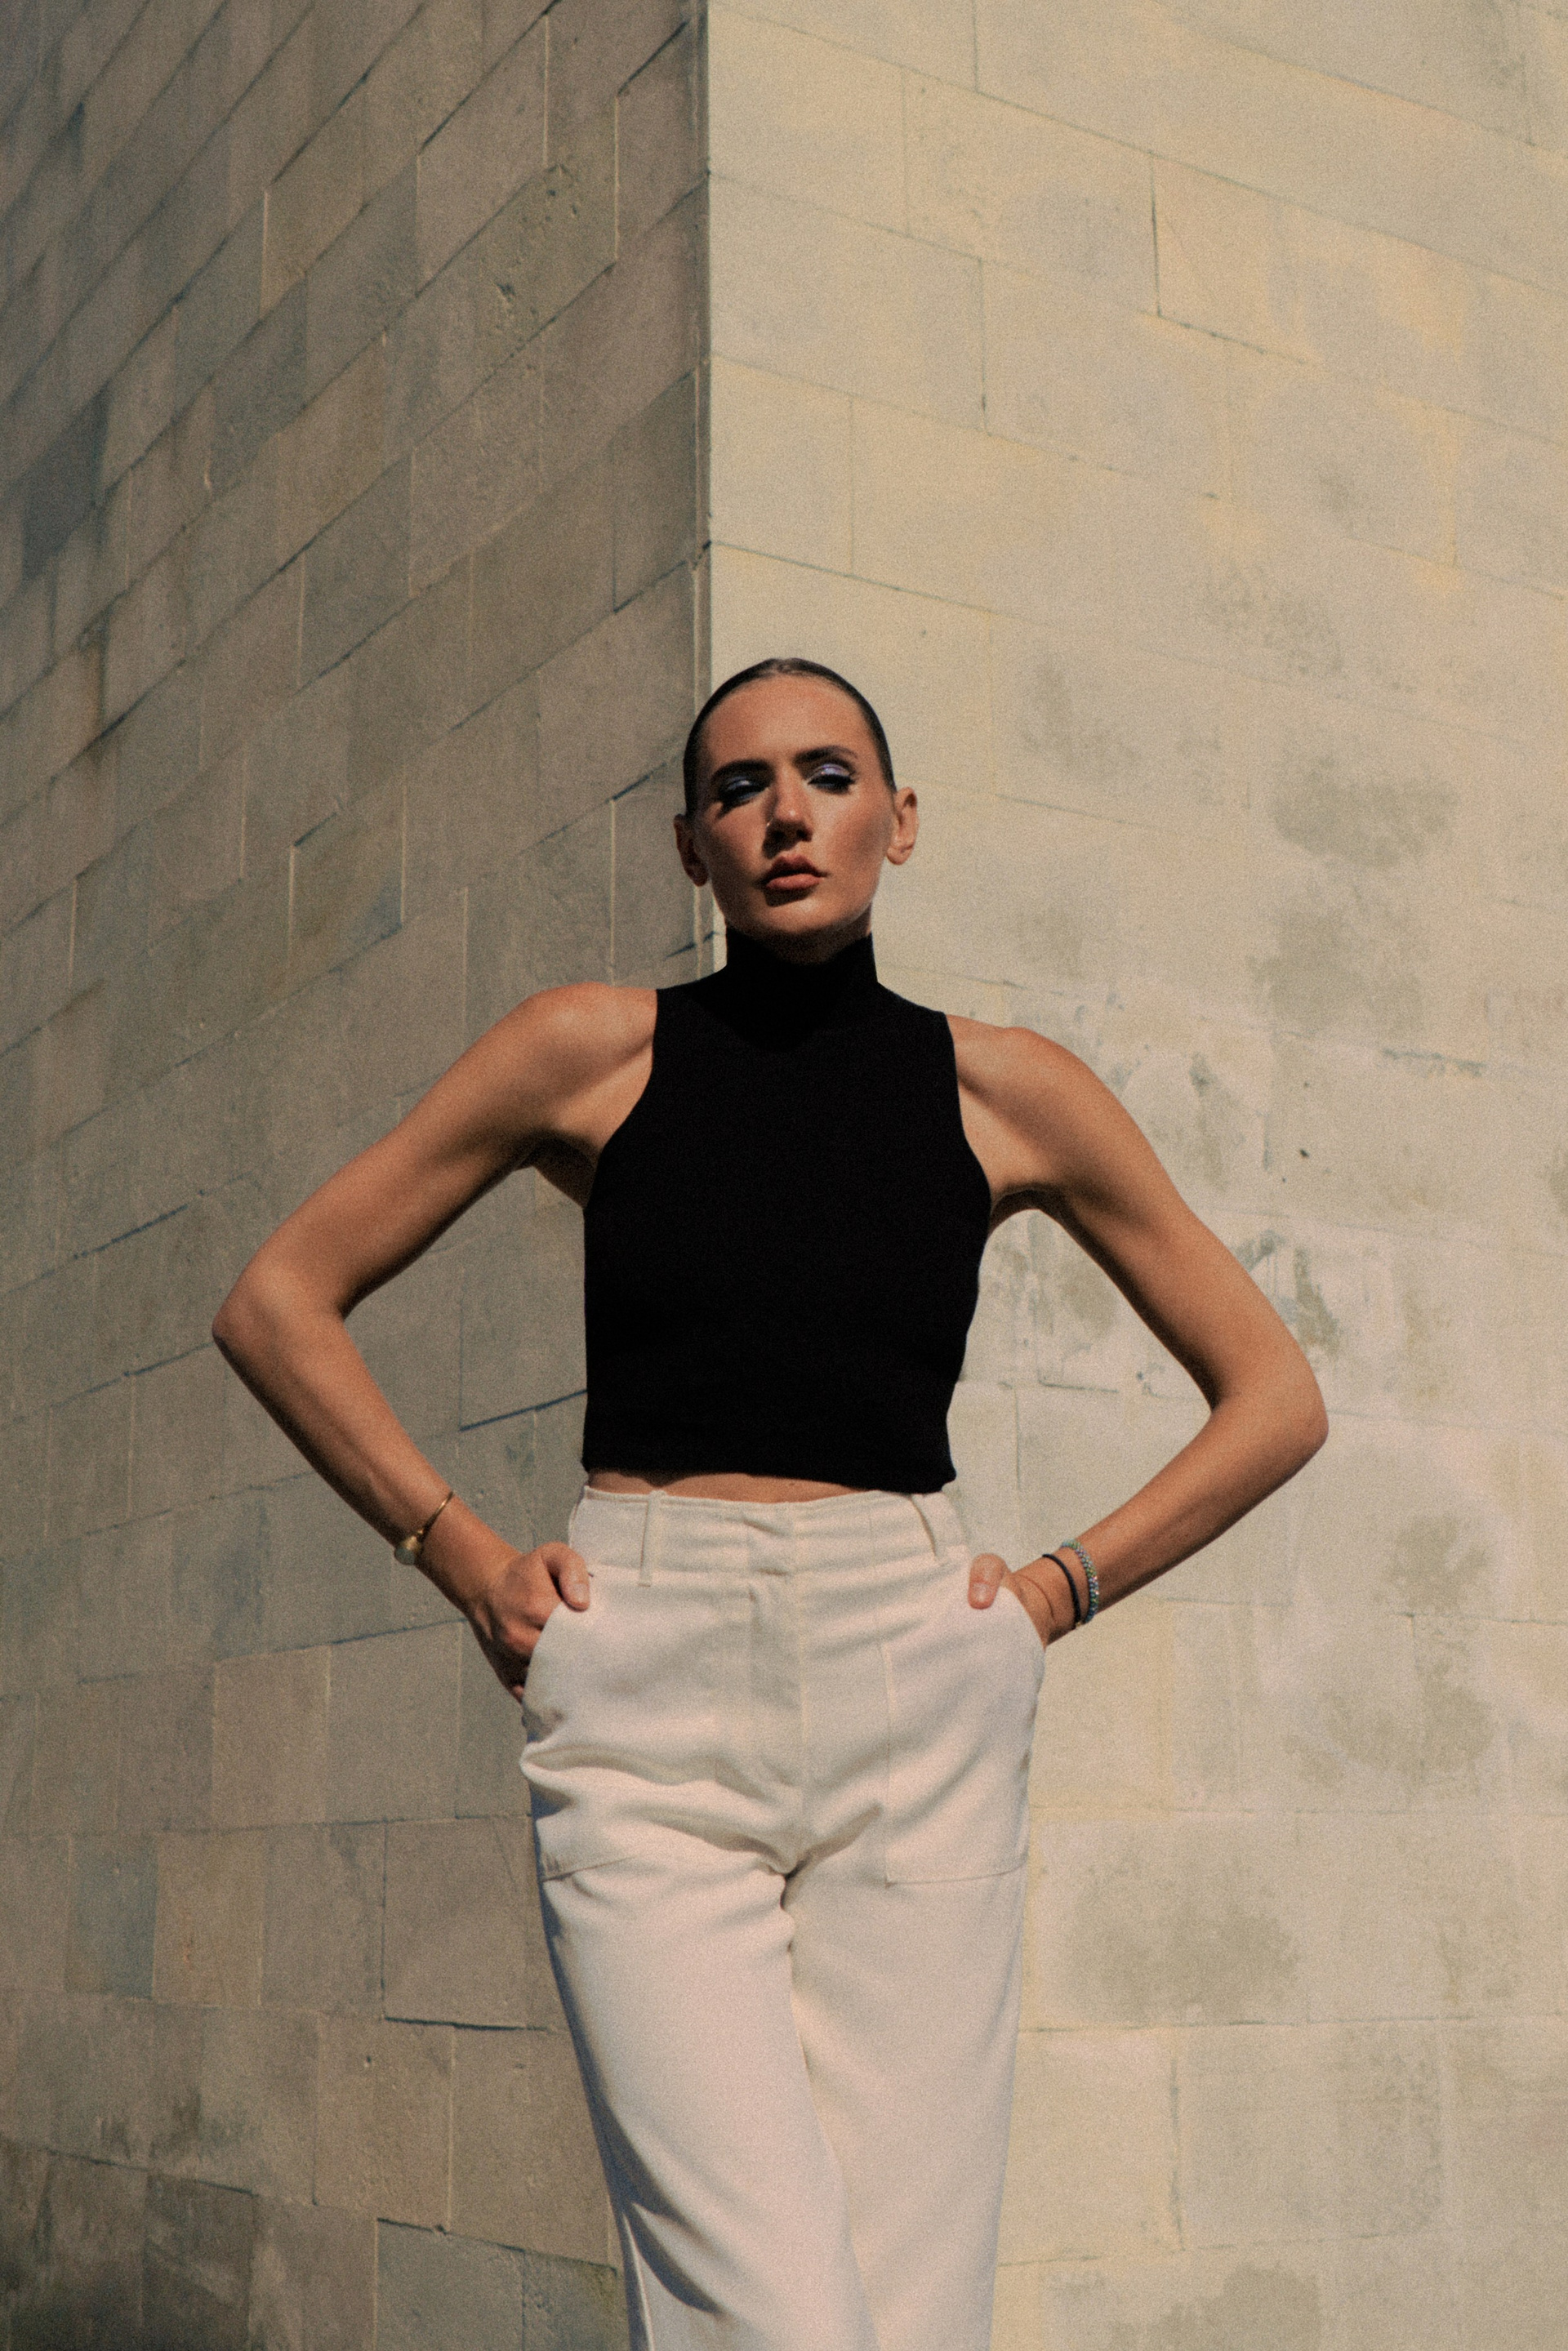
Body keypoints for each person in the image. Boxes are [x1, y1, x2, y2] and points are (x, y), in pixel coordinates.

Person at [212, 656, 1327, 2351]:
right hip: (650, 1700)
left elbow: (1275, 1397)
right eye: (739, 788)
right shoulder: (591, 1052)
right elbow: (279, 1300)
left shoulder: (1005, 1088)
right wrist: (460, 1553)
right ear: (691, 846)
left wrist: (1057, 1591)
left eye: (826, 774)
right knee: (769, 2313)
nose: (785, 814)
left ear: (900, 820)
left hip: (918, 1685)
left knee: (912, 2314)